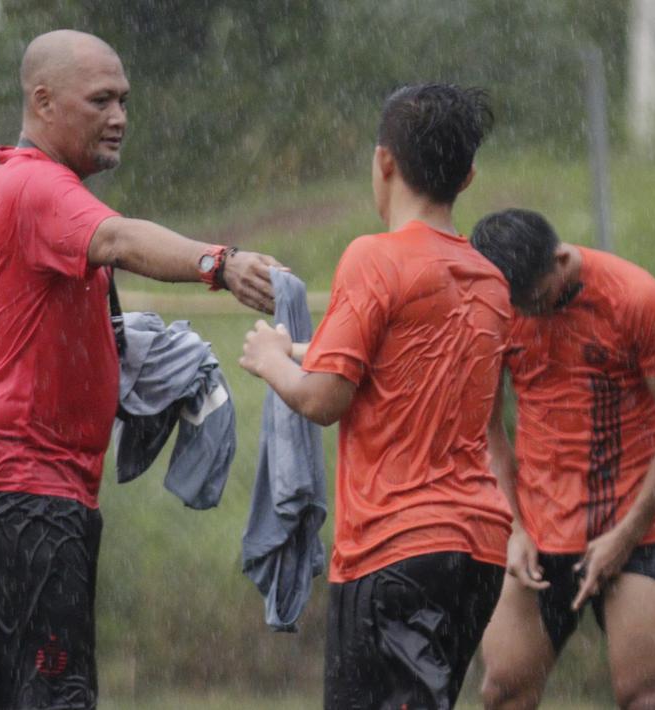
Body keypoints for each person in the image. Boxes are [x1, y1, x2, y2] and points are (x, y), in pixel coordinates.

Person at [0, 29, 281, 709]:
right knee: (56, 698)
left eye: (124, 100)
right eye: (100, 100)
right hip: (27, 495)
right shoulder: (37, 186)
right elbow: (119, 238)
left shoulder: (28, 185)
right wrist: (220, 262)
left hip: (0, 488)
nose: (119, 116)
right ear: (42, 100)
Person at [239, 83, 511, 709]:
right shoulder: (489, 281)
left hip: (397, 549)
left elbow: (325, 399)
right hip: (477, 552)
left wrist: (270, 361)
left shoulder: (374, 257)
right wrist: (307, 352)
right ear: (467, 177)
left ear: (383, 161)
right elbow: (406, 369)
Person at [470, 209, 655, 710]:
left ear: (560, 260)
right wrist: (513, 528)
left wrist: (626, 534)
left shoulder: (635, 299)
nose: (529, 316)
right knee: (502, 692)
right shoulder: (495, 308)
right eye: (518, 306)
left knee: (645, 698)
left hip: (632, 531)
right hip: (537, 532)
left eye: (536, 300)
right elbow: (487, 430)